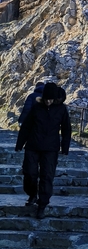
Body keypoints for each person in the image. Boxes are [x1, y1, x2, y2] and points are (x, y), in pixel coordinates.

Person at [15, 82, 71, 219]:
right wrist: (20, 143)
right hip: (33, 146)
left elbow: (66, 129)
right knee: (29, 172)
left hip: (51, 148)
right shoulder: (36, 108)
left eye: (51, 99)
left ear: (55, 99)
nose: (48, 102)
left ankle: (42, 205)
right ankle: (32, 194)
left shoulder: (61, 110)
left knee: (47, 176)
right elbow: (26, 127)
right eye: (46, 99)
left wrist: (65, 147)